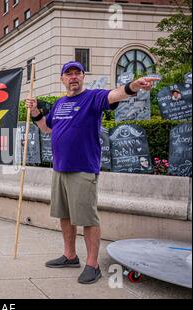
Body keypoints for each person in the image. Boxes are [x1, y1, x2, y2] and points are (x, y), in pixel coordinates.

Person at [26, 61, 157, 284]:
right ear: (62, 79)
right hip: (60, 168)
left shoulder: (92, 98)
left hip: (83, 168)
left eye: (78, 73)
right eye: (69, 73)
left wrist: (133, 86)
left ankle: (92, 264)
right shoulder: (59, 104)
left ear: (83, 77)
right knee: (65, 216)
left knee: (87, 219)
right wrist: (36, 111)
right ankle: (70, 256)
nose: (74, 77)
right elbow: (47, 128)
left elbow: (116, 95)